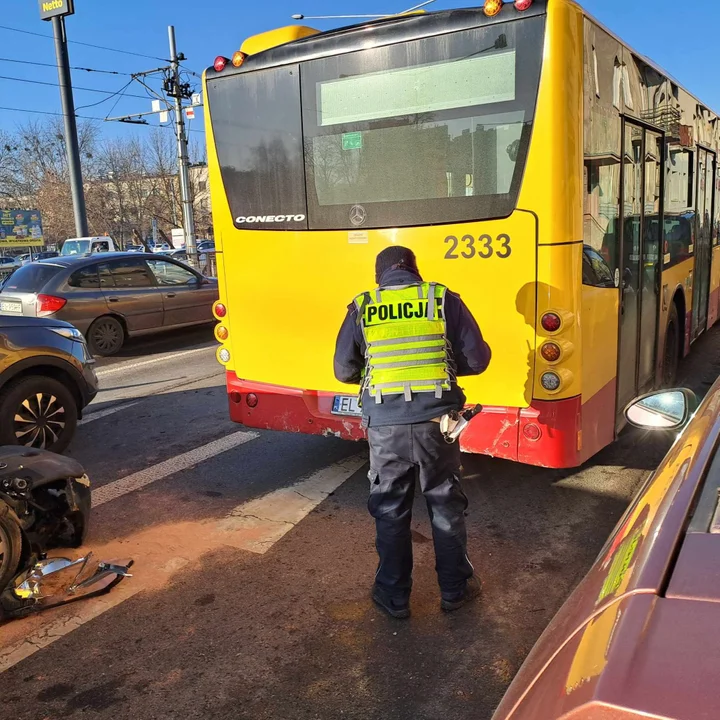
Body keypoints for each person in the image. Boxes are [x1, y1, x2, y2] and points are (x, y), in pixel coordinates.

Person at [333, 246, 491, 619]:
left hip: (384, 426)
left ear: (380, 275)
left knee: (390, 509)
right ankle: (455, 590)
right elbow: (478, 360)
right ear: (415, 271)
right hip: (437, 423)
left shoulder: (363, 305)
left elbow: (343, 369)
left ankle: (393, 596)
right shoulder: (441, 298)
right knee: (444, 504)